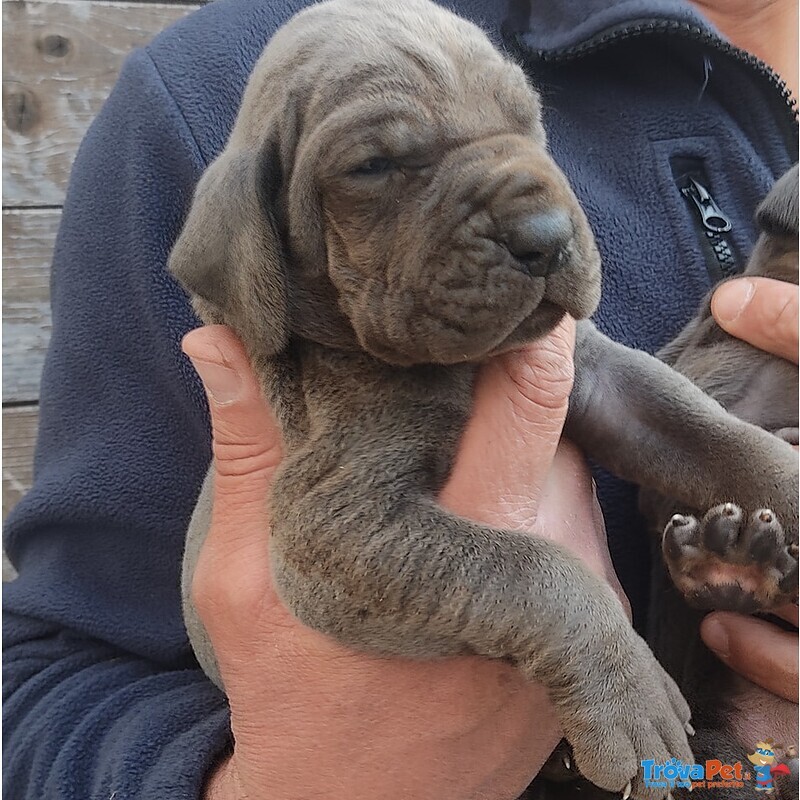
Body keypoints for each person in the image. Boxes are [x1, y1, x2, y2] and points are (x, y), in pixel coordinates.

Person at [3, 0, 796, 797]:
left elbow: (639, 406)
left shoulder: (513, 294)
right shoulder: (197, 102)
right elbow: (335, 547)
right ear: (256, 232)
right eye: (378, 169)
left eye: (523, 126)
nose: (545, 221)